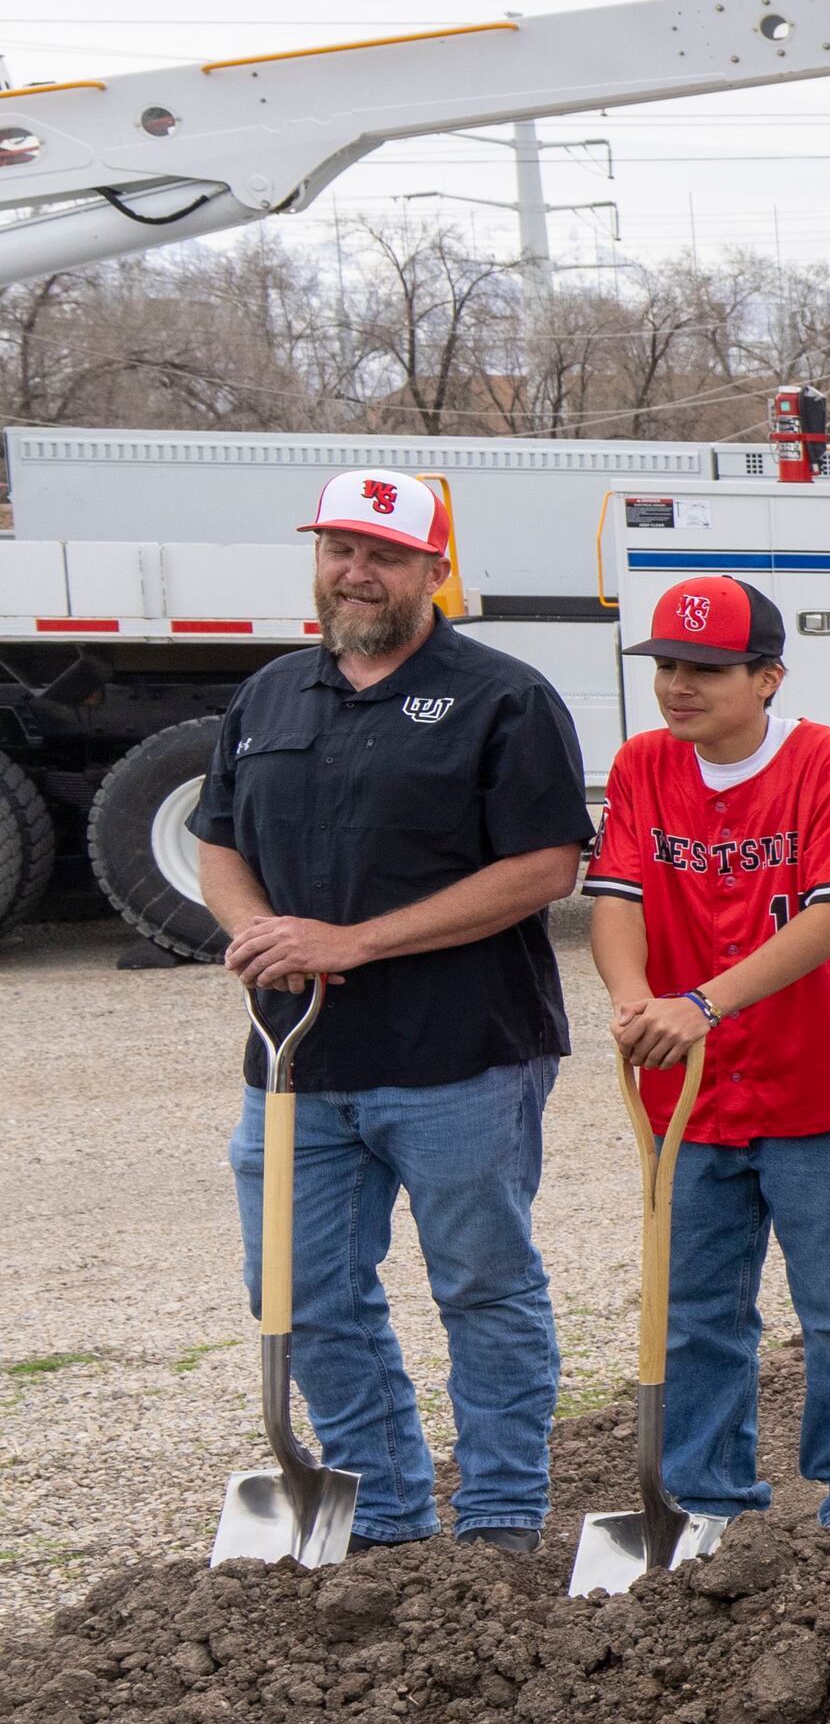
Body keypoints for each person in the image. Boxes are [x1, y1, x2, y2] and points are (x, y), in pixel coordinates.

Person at [195, 468, 592, 1550]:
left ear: (434, 569)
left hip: (462, 1056)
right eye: (338, 549)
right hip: (296, 1061)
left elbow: (545, 865)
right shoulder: (272, 692)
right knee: (298, 1288)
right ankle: (386, 1512)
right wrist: (251, 930)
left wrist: (352, 942)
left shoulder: (503, 696)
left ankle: (504, 1518)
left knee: (483, 1285)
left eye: (381, 554)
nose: (354, 572)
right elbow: (219, 835)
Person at [579, 574, 830, 1541]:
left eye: (707, 670)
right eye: (668, 667)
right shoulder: (644, 764)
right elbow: (617, 898)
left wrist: (700, 1002)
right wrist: (633, 998)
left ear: (768, 677)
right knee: (694, 1311)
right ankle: (706, 1497)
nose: (679, 686)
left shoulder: (829, 760)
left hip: (818, 1083)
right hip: (685, 1093)